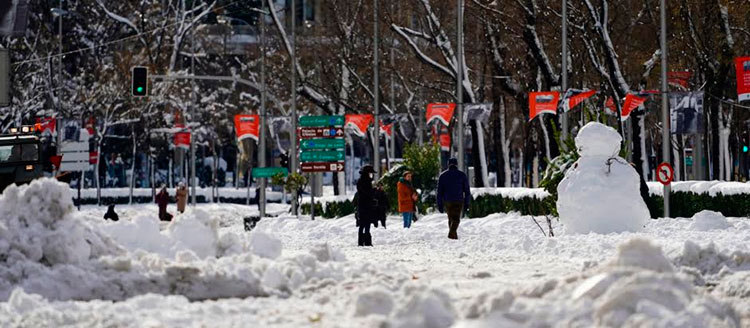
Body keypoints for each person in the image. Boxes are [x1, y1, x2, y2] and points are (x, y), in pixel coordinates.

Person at [437, 157, 471, 239]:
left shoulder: (443, 175)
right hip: (458, 200)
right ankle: (451, 235)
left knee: (451, 218)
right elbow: (466, 190)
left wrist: (439, 204)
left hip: (447, 200)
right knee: (456, 219)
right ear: (456, 164)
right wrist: (467, 202)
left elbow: (439, 191)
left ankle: (453, 237)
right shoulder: (462, 175)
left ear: (448, 164)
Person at [356, 165, 376, 246]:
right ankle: (365, 241)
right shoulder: (365, 182)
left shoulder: (362, 181)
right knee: (365, 224)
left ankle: (363, 241)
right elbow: (366, 193)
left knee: (363, 224)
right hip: (365, 205)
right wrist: (373, 192)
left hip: (363, 205)